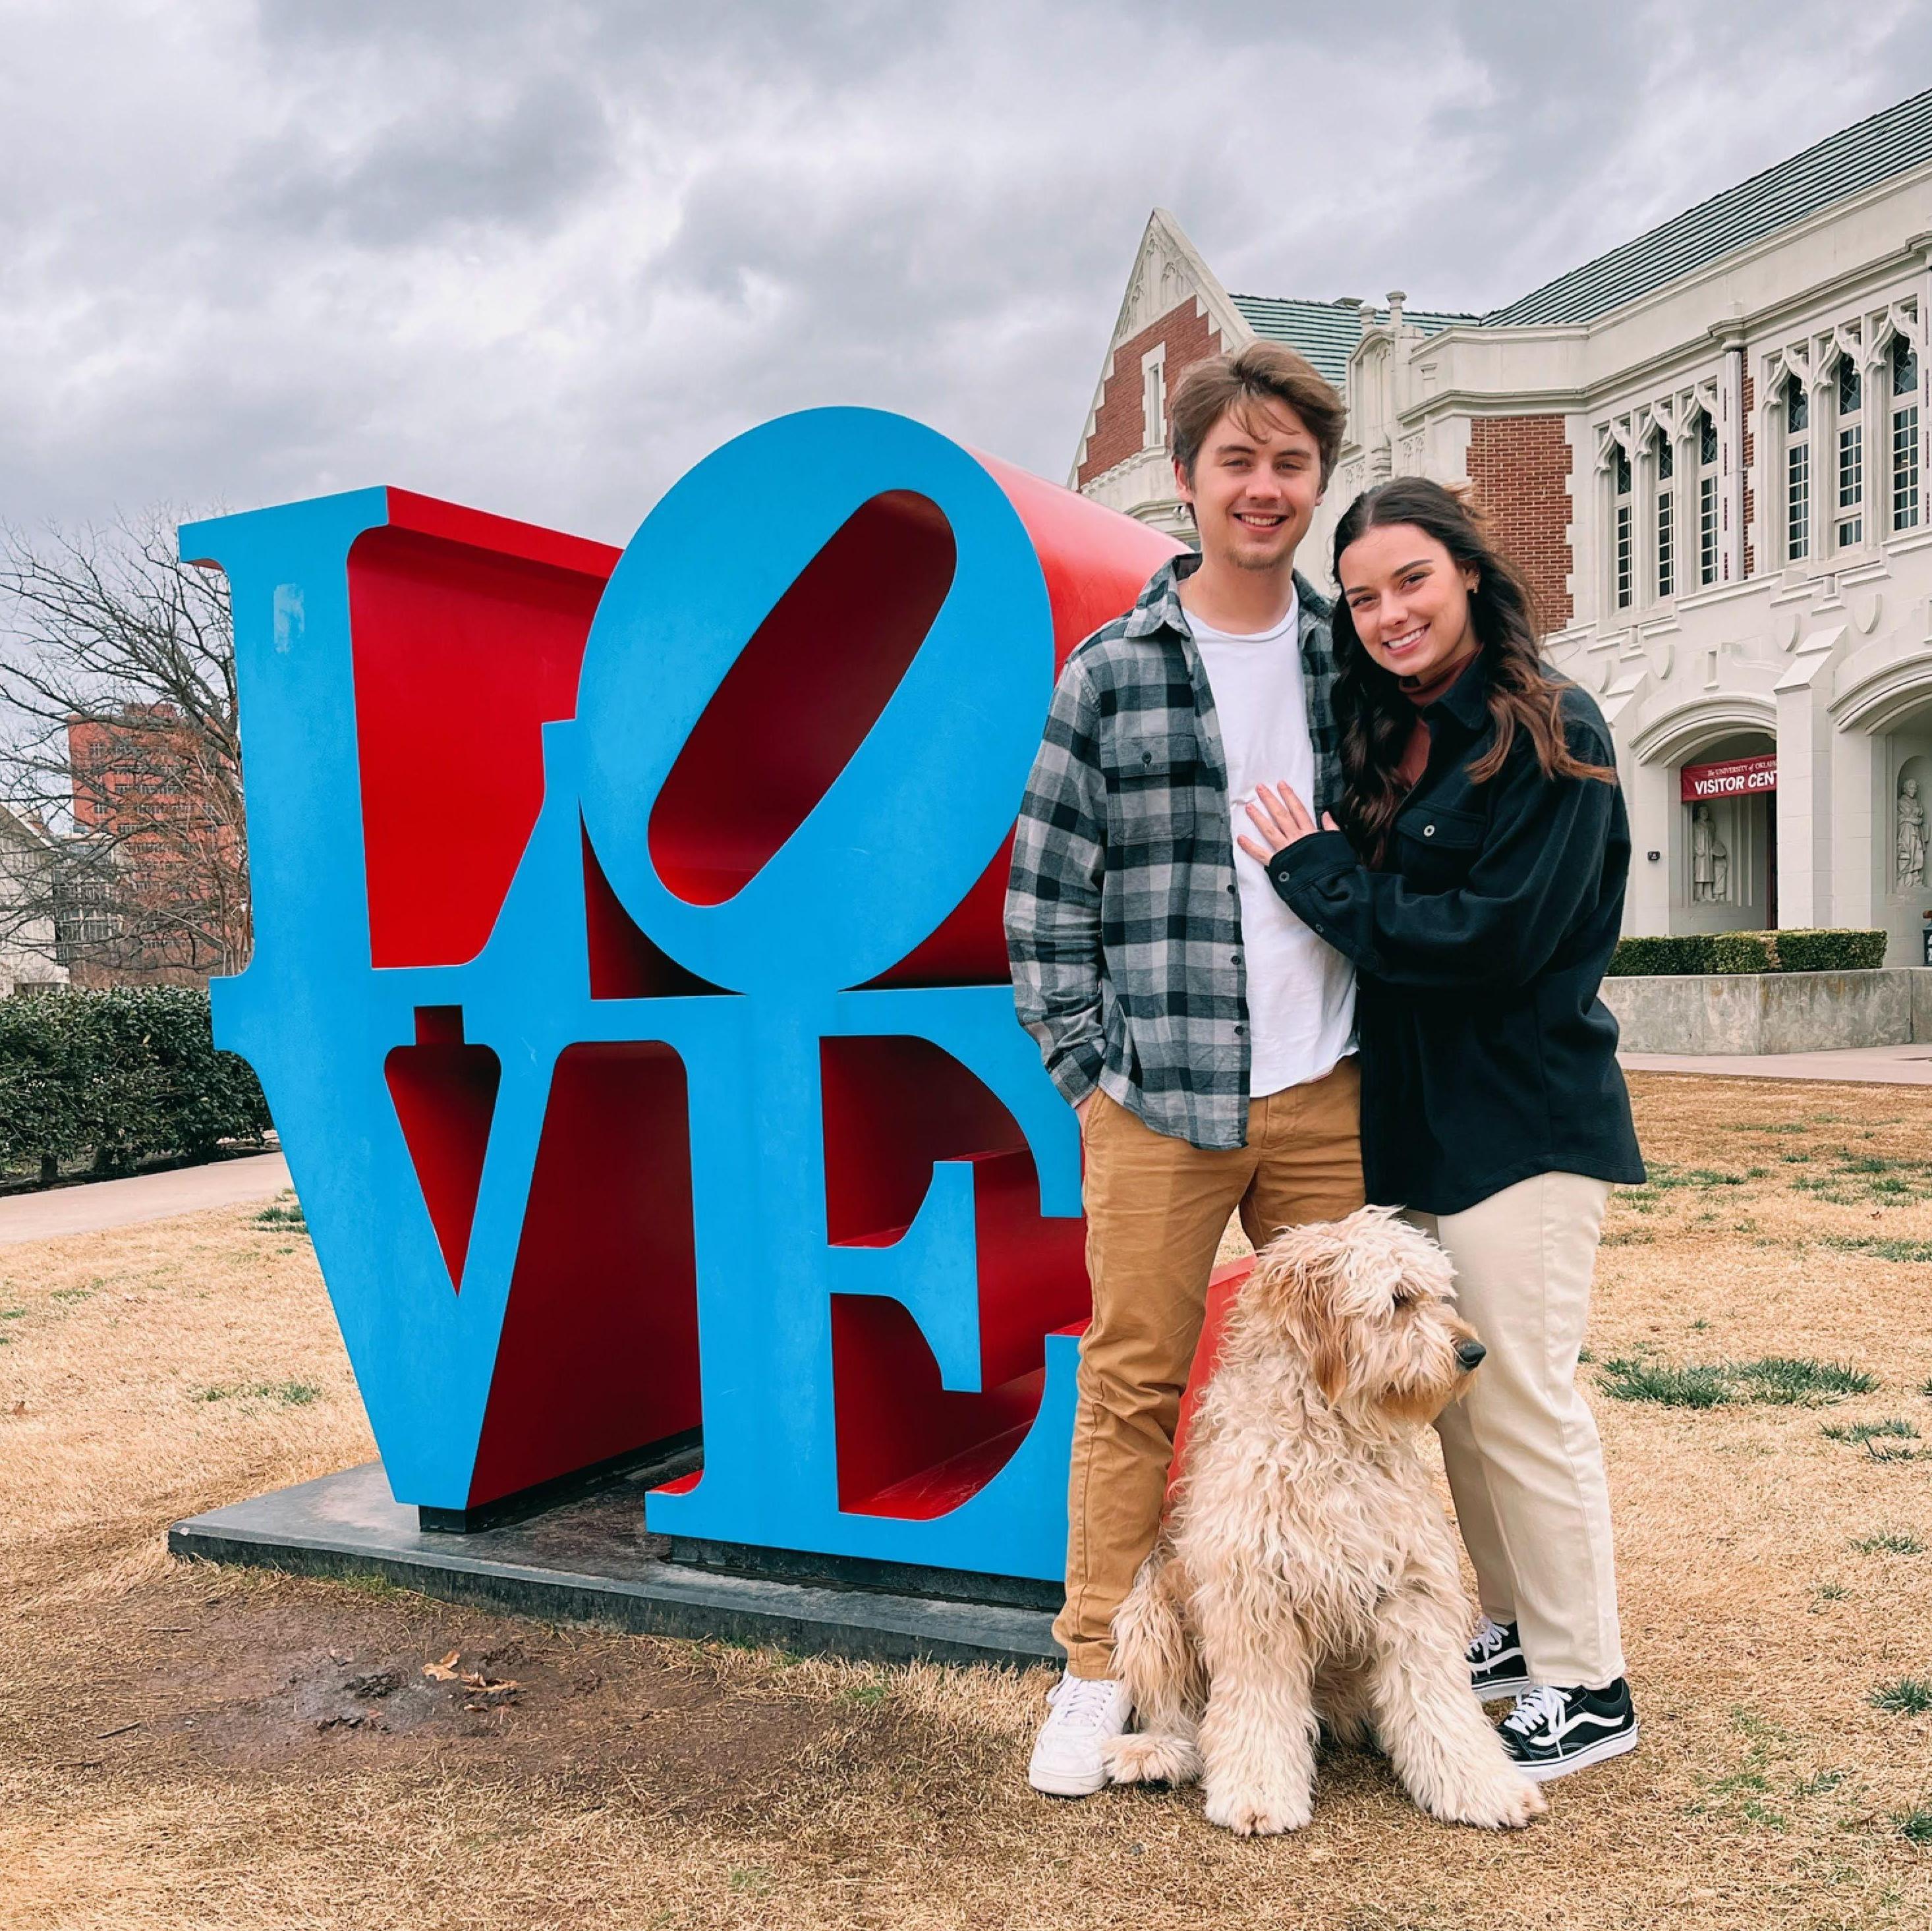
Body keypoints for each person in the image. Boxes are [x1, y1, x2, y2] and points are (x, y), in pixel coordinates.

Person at [1237, 476, 1647, 1783]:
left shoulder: (1546, 729)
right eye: (1358, 596)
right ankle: (1518, 1636)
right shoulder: (1390, 731)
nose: (1384, 612)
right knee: (1451, 1400)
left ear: (1468, 571)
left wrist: (1317, 874)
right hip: (1410, 1114)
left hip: (1521, 1113)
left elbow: (1489, 941)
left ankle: (1587, 1682)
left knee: (1520, 1393)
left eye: (1408, 579)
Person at [1006, 343, 1364, 1797]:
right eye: (1238, 459)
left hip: (1328, 1086)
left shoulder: (1356, 657)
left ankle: (1351, 1649)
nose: (1262, 485)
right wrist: (1090, 1071)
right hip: (1158, 1094)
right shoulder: (1111, 670)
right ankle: (1094, 1667)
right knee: (1133, 1379)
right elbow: (1043, 898)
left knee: (1347, 1380)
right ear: (1188, 476)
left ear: (1313, 484)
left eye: (1288, 462)